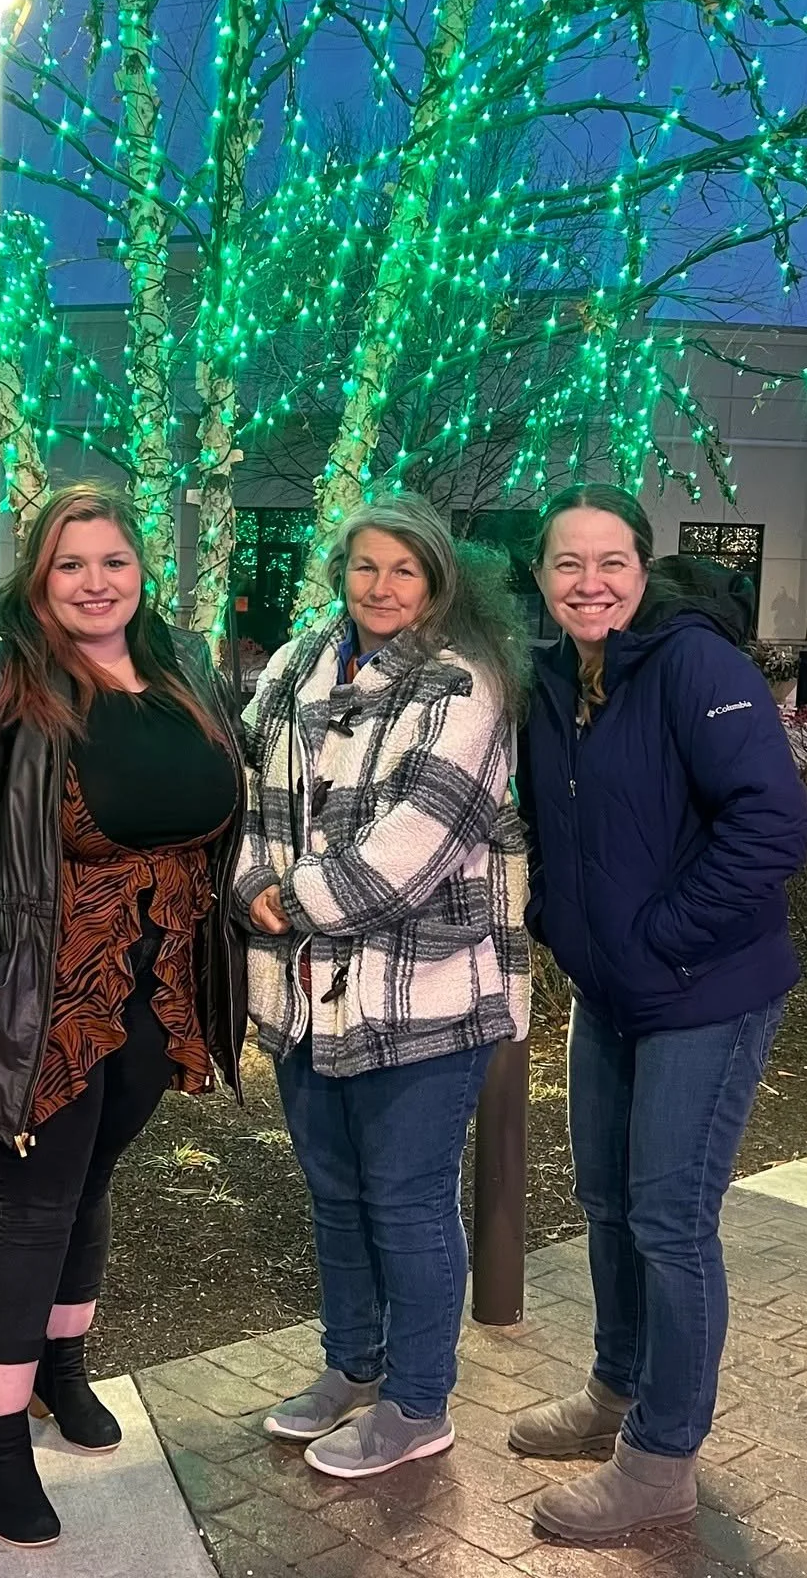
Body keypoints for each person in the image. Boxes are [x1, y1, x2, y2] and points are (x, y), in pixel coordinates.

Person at [0, 484, 246, 1549]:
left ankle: (60, 1368)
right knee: (31, 1204)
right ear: (34, 576)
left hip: (157, 975)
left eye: (112, 560)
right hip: (34, 989)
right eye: (68, 563)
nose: (94, 581)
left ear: (141, 566)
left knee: (90, 1179)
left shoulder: (179, 666)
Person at [512, 484, 807, 1544]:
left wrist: (658, 937)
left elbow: (770, 825)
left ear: (640, 570)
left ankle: (660, 1458)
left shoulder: (692, 665)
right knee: (603, 1198)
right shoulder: (551, 677)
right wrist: (561, 919)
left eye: (608, 561)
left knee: (669, 1221)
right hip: (612, 995)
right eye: (564, 563)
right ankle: (613, 1388)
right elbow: (547, 825)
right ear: (540, 577)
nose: (586, 581)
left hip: (704, 990)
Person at [238, 495, 530, 1481]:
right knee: (333, 1194)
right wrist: (248, 884)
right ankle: (349, 1361)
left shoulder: (463, 684)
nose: (381, 585)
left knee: (405, 1200)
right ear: (339, 572)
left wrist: (293, 895)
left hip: (422, 996)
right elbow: (248, 799)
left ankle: (416, 1399)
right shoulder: (287, 672)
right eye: (365, 566)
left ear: (438, 579)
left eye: (403, 569)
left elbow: (418, 843)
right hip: (304, 996)